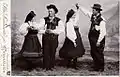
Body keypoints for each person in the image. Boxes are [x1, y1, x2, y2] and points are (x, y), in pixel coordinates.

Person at [78, 3, 106, 71]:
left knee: (99, 53)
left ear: (97, 11)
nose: (92, 11)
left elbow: (103, 32)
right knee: (93, 52)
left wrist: (99, 41)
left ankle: (100, 68)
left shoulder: (102, 20)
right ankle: (96, 66)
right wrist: (79, 7)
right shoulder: (93, 16)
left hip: (98, 39)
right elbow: (86, 12)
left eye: (93, 10)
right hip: (92, 39)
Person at [59, 4, 85, 69]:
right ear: (70, 16)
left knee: (76, 52)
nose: (74, 16)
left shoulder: (74, 21)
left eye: (74, 15)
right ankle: (69, 64)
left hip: (77, 37)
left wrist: (78, 9)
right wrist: (73, 41)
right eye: (73, 15)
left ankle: (74, 65)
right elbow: (69, 33)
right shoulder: (69, 23)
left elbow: (77, 17)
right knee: (70, 51)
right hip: (71, 38)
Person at [39, 4, 64, 70]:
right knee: (45, 52)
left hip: (54, 39)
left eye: (51, 11)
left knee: (52, 52)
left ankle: (51, 66)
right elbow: (39, 29)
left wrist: (52, 31)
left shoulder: (59, 21)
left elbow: (61, 30)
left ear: (55, 12)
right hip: (45, 39)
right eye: (49, 11)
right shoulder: (44, 20)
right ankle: (45, 67)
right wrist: (45, 31)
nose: (50, 13)